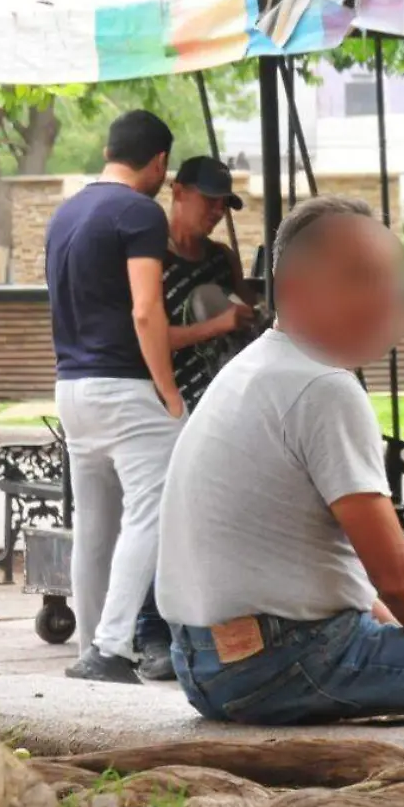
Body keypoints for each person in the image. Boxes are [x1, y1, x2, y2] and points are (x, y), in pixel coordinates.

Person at [155, 196, 404, 724]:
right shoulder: (324, 385)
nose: (381, 298)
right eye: (356, 278)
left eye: (382, 277)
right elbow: (398, 576)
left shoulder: (253, 367)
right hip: (286, 662)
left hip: (201, 665)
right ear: (293, 290)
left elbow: (350, 582)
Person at [44, 110, 183, 684]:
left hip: (71, 385)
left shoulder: (65, 213)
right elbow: (147, 309)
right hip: (125, 385)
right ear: (158, 161)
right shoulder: (140, 213)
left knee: (95, 525)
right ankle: (113, 646)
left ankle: (90, 646)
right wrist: (169, 391)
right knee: (151, 512)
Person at [132, 155, 257, 681]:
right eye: (208, 200)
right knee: (163, 518)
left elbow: (238, 323)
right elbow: (149, 336)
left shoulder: (221, 259)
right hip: (171, 402)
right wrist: (218, 325)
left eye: (222, 204)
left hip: (220, 404)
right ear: (177, 191)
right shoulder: (150, 258)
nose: (214, 212)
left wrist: (244, 317)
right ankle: (149, 631)